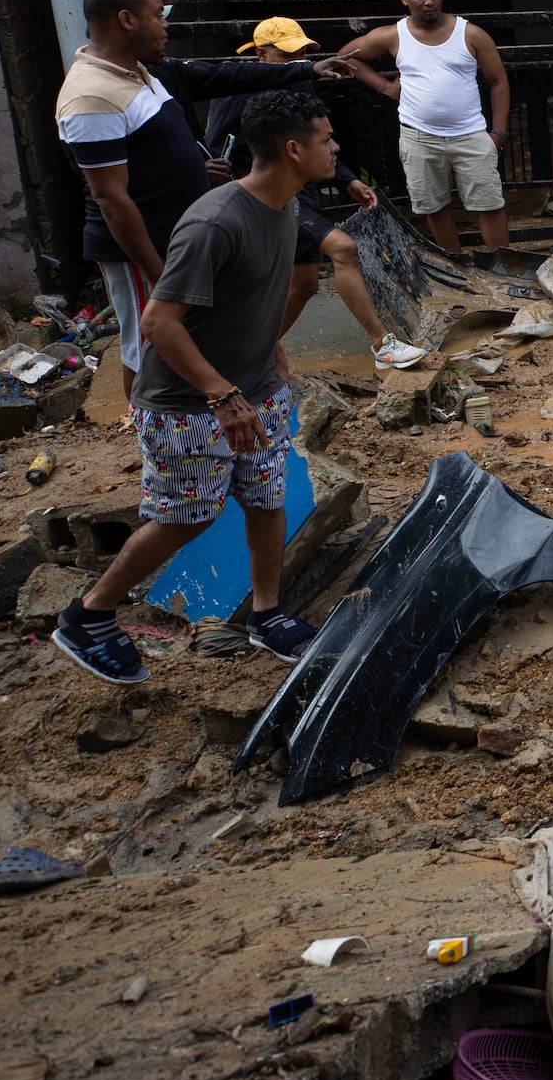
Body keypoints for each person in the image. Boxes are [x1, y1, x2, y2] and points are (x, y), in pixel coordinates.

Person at [53, 89, 341, 685]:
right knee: (185, 517)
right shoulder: (215, 222)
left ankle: (266, 613)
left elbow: (253, 298)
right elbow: (159, 324)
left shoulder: (286, 205)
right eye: (326, 139)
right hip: (189, 405)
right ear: (293, 149)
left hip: (254, 391)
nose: (336, 147)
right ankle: (90, 613)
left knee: (267, 501)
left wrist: (268, 353)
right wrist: (222, 395)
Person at [54, 0, 350, 395]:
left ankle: (200, 418)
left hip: (180, 235)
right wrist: (157, 272)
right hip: (144, 247)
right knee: (149, 343)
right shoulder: (91, 96)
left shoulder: (142, 72)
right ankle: (151, 433)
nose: (165, 26)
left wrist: (305, 68)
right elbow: (110, 198)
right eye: (158, 15)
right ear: (126, 20)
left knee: (194, 333)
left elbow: (219, 76)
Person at [207, 16, 427, 372]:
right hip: (271, 196)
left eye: (301, 54)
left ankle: (254, 350)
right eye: (287, 56)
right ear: (262, 55)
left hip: (303, 190)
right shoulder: (237, 90)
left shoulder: (300, 81)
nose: (297, 62)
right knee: (343, 248)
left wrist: (348, 180)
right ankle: (381, 344)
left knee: (305, 283)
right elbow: (219, 146)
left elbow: (319, 142)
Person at [334, 0, 513, 262]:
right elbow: (346, 57)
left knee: (490, 204)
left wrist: (497, 133)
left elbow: (498, 81)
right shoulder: (394, 35)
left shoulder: (470, 34)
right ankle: (456, 268)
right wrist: (386, 87)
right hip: (419, 138)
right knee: (433, 206)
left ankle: (503, 268)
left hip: (470, 135)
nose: (429, 1)